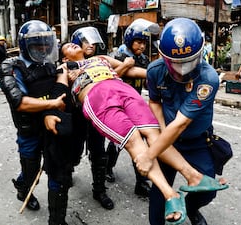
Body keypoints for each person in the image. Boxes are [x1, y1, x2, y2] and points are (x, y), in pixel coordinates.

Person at [54, 42, 228, 225]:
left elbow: (131, 71)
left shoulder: (101, 59)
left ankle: (194, 177)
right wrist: (66, 82)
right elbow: (60, 93)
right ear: (65, 57)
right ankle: (170, 195)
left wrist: (164, 72)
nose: (73, 44)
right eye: (67, 46)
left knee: (156, 136)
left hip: (123, 89)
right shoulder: (63, 67)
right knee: (134, 142)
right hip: (97, 96)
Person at [144, 17, 226, 225]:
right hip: (168, 140)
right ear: (163, 56)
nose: (182, 70)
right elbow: (154, 102)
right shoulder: (155, 71)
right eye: (175, 63)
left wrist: (149, 155)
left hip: (197, 141)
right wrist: (163, 136)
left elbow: (181, 123)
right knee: (159, 195)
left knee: (207, 190)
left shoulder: (208, 79)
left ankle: (191, 208)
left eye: (188, 62)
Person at [0, 20, 67, 224]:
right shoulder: (11, 67)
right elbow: (20, 102)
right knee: (31, 170)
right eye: (37, 45)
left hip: (53, 124)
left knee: (58, 173)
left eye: (46, 44)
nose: (43, 49)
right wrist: (53, 103)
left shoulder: (48, 64)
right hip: (29, 130)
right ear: (25, 45)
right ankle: (23, 188)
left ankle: (57, 220)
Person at [105, 18, 160, 198]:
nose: (142, 46)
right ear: (130, 41)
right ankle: (107, 168)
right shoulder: (117, 56)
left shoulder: (143, 59)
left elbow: (145, 82)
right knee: (117, 142)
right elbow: (110, 78)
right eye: (138, 42)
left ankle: (141, 182)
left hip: (134, 103)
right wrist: (126, 65)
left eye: (144, 43)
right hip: (117, 104)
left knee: (141, 142)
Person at [69, 26, 114, 210]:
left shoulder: (100, 61)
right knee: (73, 152)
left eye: (92, 42)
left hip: (97, 115)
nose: (91, 45)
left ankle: (99, 190)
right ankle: (69, 170)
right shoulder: (69, 63)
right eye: (86, 41)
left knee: (99, 153)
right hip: (77, 115)